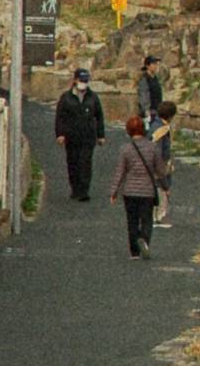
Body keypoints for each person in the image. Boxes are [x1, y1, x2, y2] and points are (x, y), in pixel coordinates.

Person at [113, 111, 165, 260]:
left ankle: (134, 252)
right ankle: (145, 240)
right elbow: (160, 170)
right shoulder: (153, 148)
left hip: (129, 191)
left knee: (132, 220)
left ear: (128, 131)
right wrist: (165, 186)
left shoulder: (125, 149)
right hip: (147, 190)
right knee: (147, 219)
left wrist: (114, 191)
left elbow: (120, 171)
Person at [52, 68, 106, 202]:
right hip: (72, 136)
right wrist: (60, 134)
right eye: (81, 80)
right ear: (75, 80)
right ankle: (75, 189)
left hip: (88, 136)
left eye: (86, 81)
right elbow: (60, 117)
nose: (84, 83)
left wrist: (101, 135)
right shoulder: (66, 98)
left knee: (85, 162)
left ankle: (84, 190)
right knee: (73, 162)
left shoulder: (93, 97)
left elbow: (99, 116)